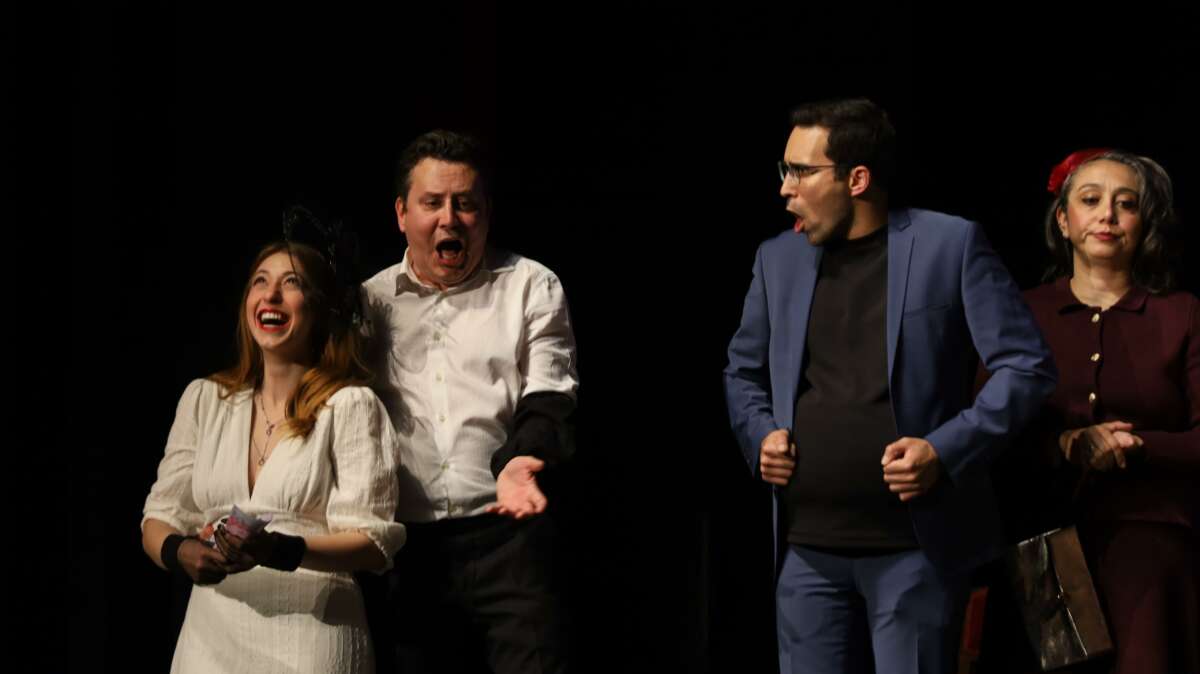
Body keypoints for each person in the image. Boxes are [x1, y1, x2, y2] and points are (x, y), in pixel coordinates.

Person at [723, 98, 1056, 674]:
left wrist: (943, 450)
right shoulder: (777, 259)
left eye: (801, 171)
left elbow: (1026, 367)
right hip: (807, 551)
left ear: (857, 179)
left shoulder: (949, 244)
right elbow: (742, 370)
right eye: (785, 170)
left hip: (914, 550)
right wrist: (760, 435)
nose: (785, 188)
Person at [361, 129, 579, 674]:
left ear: (486, 212)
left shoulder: (530, 285)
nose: (450, 219)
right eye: (432, 203)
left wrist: (521, 462)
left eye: (465, 203)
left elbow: (550, 391)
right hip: (407, 552)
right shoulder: (368, 303)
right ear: (401, 214)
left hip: (509, 539)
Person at [141, 234, 405, 674]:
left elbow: (374, 543)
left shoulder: (350, 405)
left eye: (291, 283)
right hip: (210, 635)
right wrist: (179, 551)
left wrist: (281, 550)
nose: (271, 295)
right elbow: (158, 516)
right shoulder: (205, 400)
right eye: (260, 281)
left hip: (312, 630)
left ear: (319, 308)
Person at [1013, 149, 1199, 674]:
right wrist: (1064, 444)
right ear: (1063, 220)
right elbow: (992, 431)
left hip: (1150, 539)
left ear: (1145, 222)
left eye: (1126, 204)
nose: (1107, 216)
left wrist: (1135, 446)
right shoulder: (1022, 311)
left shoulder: (1180, 313)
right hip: (1045, 543)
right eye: (1091, 200)